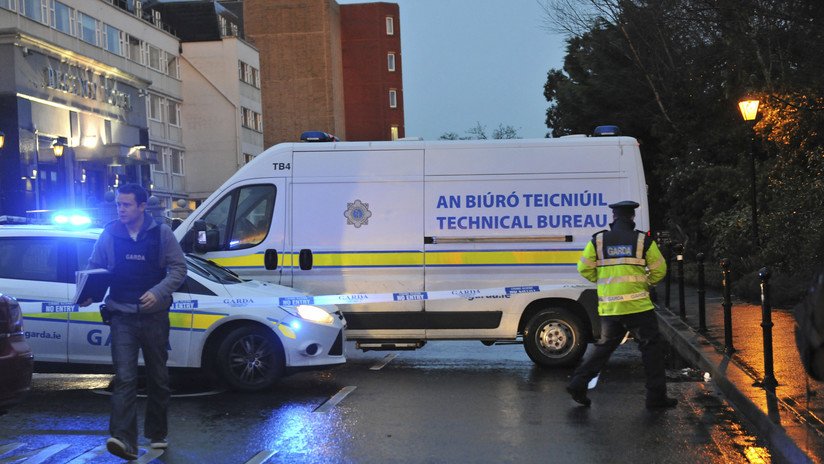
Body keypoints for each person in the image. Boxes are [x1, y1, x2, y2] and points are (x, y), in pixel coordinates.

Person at [81, 183, 186, 460]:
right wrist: (89, 293)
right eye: (118, 204)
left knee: (158, 378)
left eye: (126, 205)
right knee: (125, 379)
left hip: (154, 318)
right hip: (121, 317)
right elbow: (95, 267)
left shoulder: (161, 233)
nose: (121, 209)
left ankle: (157, 433)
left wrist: (158, 292)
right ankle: (123, 440)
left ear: (142, 206)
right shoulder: (110, 233)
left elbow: (179, 268)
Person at [566, 200, 676, 409]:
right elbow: (660, 270)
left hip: (610, 308)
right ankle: (655, 398)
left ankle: (578, 383)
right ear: (632, 218)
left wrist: (603, 282)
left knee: (603, 349)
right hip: (639, 307)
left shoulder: (598, 240)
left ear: (614, 218)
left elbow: (583, 268)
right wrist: (645, 283)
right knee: (651, 350)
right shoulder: (643, 241)